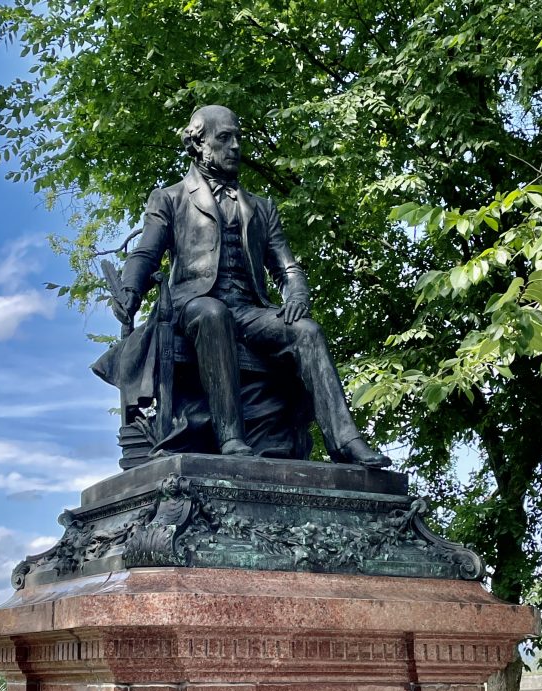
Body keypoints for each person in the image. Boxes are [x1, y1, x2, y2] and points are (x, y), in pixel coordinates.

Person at [105, 104, 390, 468]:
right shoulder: (171, 198)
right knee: (213, 313)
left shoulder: (260, 208)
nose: (236, 146)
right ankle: (230, 437)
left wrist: (297, 294)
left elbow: (287, 266)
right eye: (224, 138)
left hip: (249, 309)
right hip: (194, 305)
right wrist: (130, 290)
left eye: (238, 137)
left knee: (306, 330)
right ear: (199, 144)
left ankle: (346, 442)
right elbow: (146, 253)